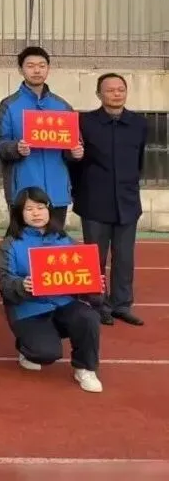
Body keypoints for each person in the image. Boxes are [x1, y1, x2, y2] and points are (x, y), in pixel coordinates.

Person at [0, 186, 104, 393]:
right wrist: (21, 285)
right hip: (29, 309)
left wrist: (94, 284)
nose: (36, 213)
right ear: (19, 213)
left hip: (63, 303)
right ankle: (26, 348)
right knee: (45, 353)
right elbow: (2, 281)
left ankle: (85, 368)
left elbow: (82, 278)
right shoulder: (10, 244)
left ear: (49, 210)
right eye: (29, 209)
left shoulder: (65, 241)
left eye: (40, 207)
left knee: (88, 317)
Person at [72, 73, 147, 327]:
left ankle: (121, 305)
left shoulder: (138, 123)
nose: (116, 94)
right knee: (95, 258)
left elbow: (139, 161)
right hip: (94, 200)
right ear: (98, 94)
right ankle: (97, 304)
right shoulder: (84, 122)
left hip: (127, 201)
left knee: (124, 257)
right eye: (110, 90)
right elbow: (74, 162)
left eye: (120, 89)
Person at [0, 46, 83, 229]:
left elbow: (75, 142)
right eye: (31, 66)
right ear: (21, 70)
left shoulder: (62, 106)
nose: (37, 70)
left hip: (57, 191)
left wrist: (76, 152)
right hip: (23, 191)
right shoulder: (9, 105)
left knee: (54, 242)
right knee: (23, 241)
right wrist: (16, 148)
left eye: (42, 66)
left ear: (48, 69)